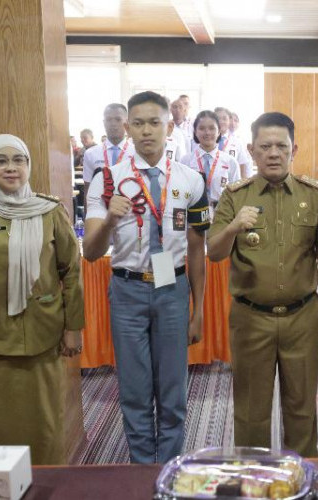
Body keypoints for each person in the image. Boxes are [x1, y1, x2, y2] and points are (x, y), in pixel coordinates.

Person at [84, 91, 208, 464]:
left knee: (172, 390)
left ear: (169, 126)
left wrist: (198, 309)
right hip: (127, 290)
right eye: (138, 123)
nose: (147, 131)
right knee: (135, 390)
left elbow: (197, 248)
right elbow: (90, 252)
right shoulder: (106, 180)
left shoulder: (192, 181)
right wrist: (109, 219)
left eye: (155, 122)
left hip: (173, 289)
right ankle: (141, 469)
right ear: (127, 127)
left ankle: (170, 467)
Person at [206, 112, 318, 457]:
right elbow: (214, 253)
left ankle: (304, 478)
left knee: (302, 408)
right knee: (251, 412)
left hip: (303, 317)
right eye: (266, 146)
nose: (274, 153)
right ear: (252, 150)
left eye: (282, 146)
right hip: (252, 319)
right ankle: (256, 482)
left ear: (294, 150)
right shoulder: (235, 196)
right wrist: (234, 226)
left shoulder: (313, 195)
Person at [0, 134, 84, 465]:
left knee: (45, 424)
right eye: (1, 161)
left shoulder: (49, 211)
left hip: (44, 334)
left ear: (28, 165)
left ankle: (48, 485)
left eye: (18, 160)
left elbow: (72, 272)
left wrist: (73, 327)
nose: (11, 168)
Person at [182, 110, 241, 211]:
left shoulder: (230, 162)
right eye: (201, 128)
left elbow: (237, 196)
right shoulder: (185, 161)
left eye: (212, 128)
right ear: (195, 132)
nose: (207, 132)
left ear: (219, 131)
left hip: (222, 217)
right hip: (192, 216)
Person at [82, 103, 135, 201]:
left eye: (118, 119)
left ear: (127, 123)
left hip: (131, 209)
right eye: (109, 120)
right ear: (104, 123)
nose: (113, 123)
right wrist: (88, 215)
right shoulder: (91, 154)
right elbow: (88, 189)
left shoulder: (136, 152)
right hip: (99, 209)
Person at [215, 106, 252, 179]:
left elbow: (242, 166)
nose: (221, 121)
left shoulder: (237, 142)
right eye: (218, 118)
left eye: (224, 119)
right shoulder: (207, 140)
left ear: (229, 121)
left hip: (231, 185)